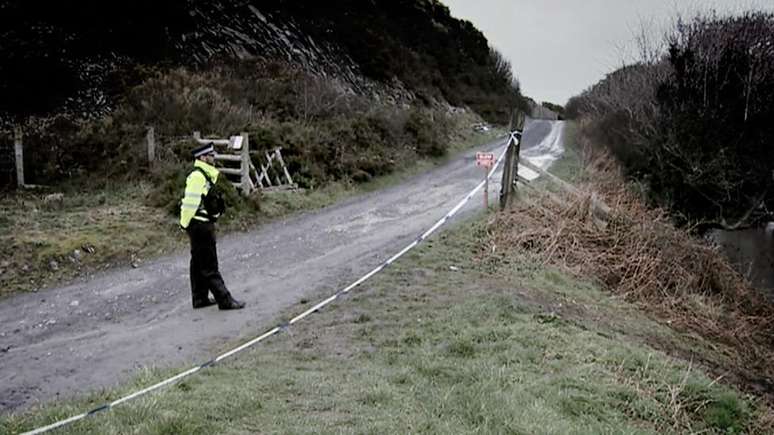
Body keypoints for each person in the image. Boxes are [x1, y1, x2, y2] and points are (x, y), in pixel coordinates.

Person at [180, 143, 245, 310]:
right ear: (203, 158)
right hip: (201, 225)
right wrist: (186, 223)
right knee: (209, 264)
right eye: (211, 155)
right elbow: (190, 202)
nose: (214, 158)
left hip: (198, 224)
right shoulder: (198, 176)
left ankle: (200, 298)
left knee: (197, 262)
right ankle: (225, 300)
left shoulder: (204, 174)